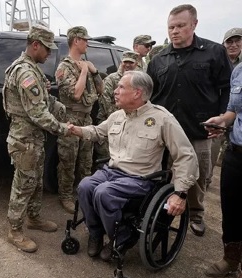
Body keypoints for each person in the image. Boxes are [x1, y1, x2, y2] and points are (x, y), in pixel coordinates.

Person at [68, 71, 199, 261]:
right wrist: (77, 130)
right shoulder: (117, 116)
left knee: (103, 193)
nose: (115, 91)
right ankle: (96, 233)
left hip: (140, 179)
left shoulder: (162, 119)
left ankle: (122, 237)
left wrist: (180, 193)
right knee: (85, 186)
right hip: (112, 172)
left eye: (121, 87)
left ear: (137, 93)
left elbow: (186, 155)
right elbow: (98, 131)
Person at [147, 4, 233, 236]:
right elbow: (150, 94)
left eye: (180, 26)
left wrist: (223, 119)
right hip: (163, 132)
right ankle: (159, 210)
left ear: (194, 24)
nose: (174, 31)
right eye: (171, 27)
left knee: (195, 175)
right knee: (160, 172)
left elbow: (226, 89)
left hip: (198, 129)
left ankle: (195, 213)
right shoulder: (158, 59)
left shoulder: (214, 52)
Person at [3, 24, 69, 253]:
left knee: (36, 181)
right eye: (47, 49)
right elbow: (37, 113)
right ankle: (14, 231)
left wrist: (61, 110)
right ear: (35, 45)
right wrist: (62, 128)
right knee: (23, 185)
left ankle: (34, 218)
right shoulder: (26, 72)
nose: (50, 53)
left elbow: (43, 101)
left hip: (34, 139)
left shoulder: (33, 69)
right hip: (25, 140)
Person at [55, 26, 104, 214]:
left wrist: (94, 70)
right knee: (68, 160)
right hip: (70, 118)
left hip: (86, 118)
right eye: (85, 40)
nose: (88, 43)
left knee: (86, 160)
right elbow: (76, 94)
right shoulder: (64, 67)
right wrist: (83, 72)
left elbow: (100, 90)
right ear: (76, 40)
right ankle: (65, 196)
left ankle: (84, 191)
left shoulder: (86, 64)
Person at [202, 63, 242, 278]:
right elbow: (234, 111)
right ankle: (231, 259)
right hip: (236, 152)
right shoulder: (238, 71)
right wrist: (222, 121)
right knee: (232, 210)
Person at [208, 27, 242, 189]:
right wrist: (222, 120)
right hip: (224, 119)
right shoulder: (236, 71)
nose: (233, 45)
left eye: (238, 41)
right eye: (229, 41)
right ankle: (207, 179)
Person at [95, 50, 139, 159]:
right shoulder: (112, 79)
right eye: (125, 62)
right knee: (106, 156)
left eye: (131, 62)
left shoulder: (138, 80)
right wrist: (119, 115)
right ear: (121, 62)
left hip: (132, 122)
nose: (128, 65)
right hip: (109, 120)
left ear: (136, 64)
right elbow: (104, 99)